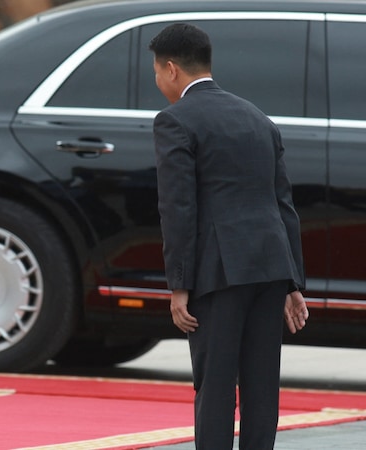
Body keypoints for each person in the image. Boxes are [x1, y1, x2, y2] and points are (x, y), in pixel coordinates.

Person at [149, 23, 309, 449]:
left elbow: (178, 209)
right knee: (261, 386)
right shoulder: (258, 117)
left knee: (216, 386)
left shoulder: (174, 121)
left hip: (218, 272)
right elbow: (283, 202)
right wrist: (293, 282)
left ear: (171, 69)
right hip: (271, 267)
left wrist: (179, 285)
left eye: (156, 72)